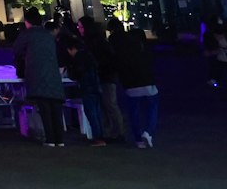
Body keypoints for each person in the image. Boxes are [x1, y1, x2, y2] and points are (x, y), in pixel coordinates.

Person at [13, 7, 64, 145]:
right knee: (56, 108)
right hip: (53, 75)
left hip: (37, 75)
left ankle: (50, 139)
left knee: (45, 108)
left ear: (27, 22)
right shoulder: (48, 35)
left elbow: (17, 51)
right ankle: (60, 139)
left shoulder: (27, 35)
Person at [110, 18, 158, 148]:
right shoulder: (144, 50)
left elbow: (118, 67)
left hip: (131, 85)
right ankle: (148, 131)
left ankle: (138, 139)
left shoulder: (123, 52)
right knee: (152, 107)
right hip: (147, 83)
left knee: (133, 112)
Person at [81, 13, 126, 143]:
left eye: (81, 27)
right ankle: (112, 131)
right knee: (106, 105)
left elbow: (108, 58)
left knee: (110, 104)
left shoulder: (96, 42)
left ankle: (118, 132)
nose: (79, 29)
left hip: (106, 75)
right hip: (103, 75)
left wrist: (100, 67)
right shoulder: (95, 41)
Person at [63, 31, 106, 145]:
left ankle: (98, 138)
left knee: (91, 113)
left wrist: (70, 70)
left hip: (87, 87)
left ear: (72, 49)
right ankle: (100, 135)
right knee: (96, 112)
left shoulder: (78, 58)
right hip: (95, 86)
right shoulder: (88, 55)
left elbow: (76, 73)